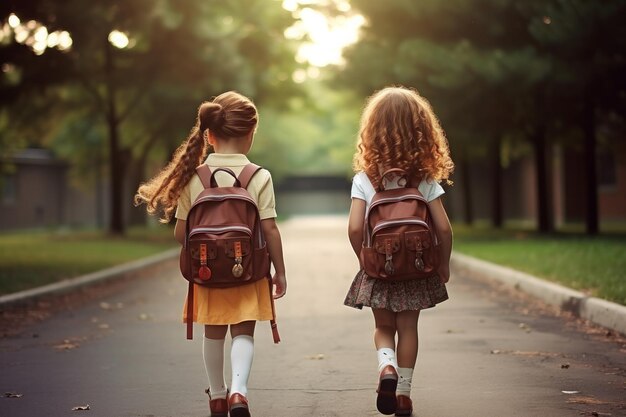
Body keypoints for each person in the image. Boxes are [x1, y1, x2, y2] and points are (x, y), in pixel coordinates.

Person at [135, 91, 287, 417]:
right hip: (248, 271)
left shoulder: (195, 177)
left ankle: (217, 395)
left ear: (210, 134)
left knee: (213, 333)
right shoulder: (259, 176)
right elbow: (270, 230)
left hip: (205, 272)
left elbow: (181, 234)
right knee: (243, 332)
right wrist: (280, 271)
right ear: (250, 134)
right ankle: (239, 392)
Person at [344, 86, 454, 416]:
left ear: (372, 131)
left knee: (383, 328)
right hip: (417, 266)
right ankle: (404, 394)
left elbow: (353, 228)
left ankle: (386, 366)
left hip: (381, 267)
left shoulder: (366, 179)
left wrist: (366, 259)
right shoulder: (424, 180)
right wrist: (443, 264)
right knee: (408, 328)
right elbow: (444, 228)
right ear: (421, 131)